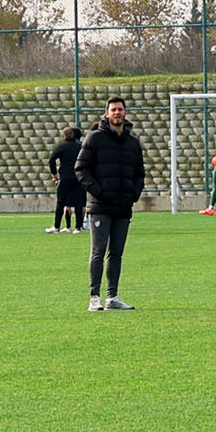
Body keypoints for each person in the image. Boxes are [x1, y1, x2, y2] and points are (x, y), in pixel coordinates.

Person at [76, 96, 146, 310]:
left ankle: (112, 297)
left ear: (125, 112)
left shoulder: (133, 143)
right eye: (113, 110)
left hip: (123, 206)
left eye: (120, 109)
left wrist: (133, 194)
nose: (117, 113)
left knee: (116, 254)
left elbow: (140, 173)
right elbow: (81, 169)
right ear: (107, 113)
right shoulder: (95, 138)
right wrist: (99, 192)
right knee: (98, 251)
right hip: (101, 206)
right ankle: (94, 297)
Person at [47, 123, 85, 233]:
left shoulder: (62, 146)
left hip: (65, 177)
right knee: (78, 202)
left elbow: (52, 160)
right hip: (77, 177)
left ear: (63, 135)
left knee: (61, 202)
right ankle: (78, 227)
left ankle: (57, 226)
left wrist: (54, 173)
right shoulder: (79, 146)